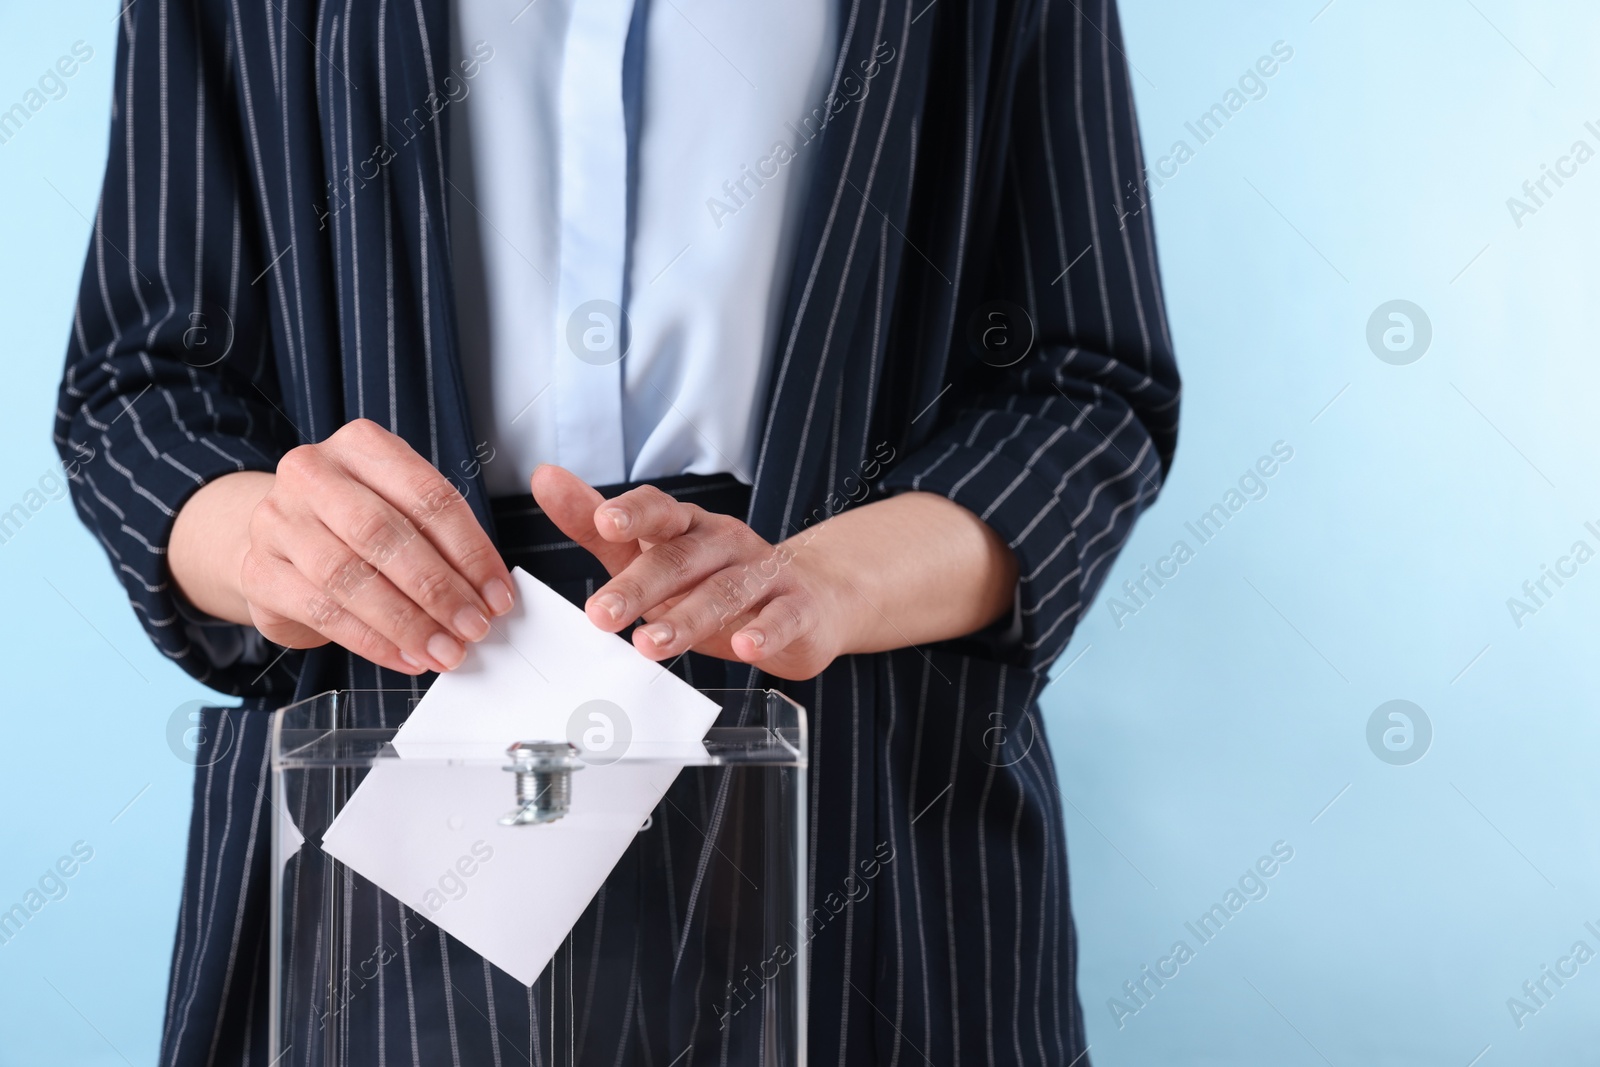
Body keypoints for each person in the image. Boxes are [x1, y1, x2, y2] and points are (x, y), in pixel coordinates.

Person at [55, 0, 1178, 1063]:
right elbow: (142, 383)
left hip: (857, 758)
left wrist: (830, 584)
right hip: (383, 746)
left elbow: (1080, 381)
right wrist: (272, 540)